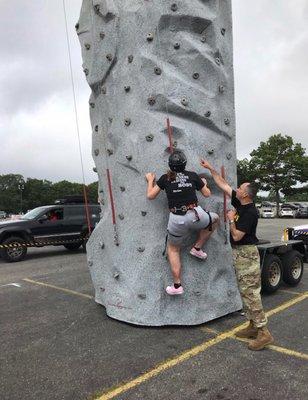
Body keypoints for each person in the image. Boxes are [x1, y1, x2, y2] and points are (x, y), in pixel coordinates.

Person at [200, 159, 274, 351]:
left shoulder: (250, 212)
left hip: (246, 254)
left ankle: (263, 332)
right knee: (245, 292)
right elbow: (223, 185)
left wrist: (231, 220)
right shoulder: (240, 202)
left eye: (240, 188)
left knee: (251, 293)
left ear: (245, 195)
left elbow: (237, 236)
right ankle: (252, 326)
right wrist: (210, 169)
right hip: (240, 254)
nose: (236, 188)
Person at [145, 150, 219, 296]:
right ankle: (197, 247)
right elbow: (207, 194)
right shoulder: (192, 175)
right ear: (185, 164)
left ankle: (177, 285)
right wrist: (203, 183)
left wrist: (150, 181)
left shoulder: (165, 178)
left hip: (177, 220)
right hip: (196, 215)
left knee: (173, 249)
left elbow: (150, 196)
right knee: (215, 218)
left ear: (170, 165)